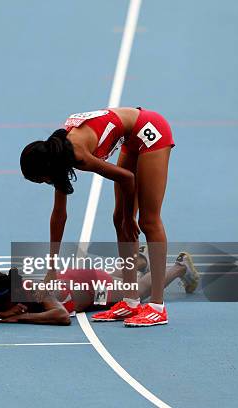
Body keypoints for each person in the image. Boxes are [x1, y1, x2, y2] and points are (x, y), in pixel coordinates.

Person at [20, 107, 174, 326]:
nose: (45, 183)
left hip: (150, 130)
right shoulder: (58, 157)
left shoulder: (78, 155)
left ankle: (158, 307)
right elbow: (59, 216)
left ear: (48, 167)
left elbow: (127, 178)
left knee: (147, 221)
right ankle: (131, 301)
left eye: (41, 179)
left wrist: (130, 216)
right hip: (130, 138)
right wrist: (51, 269)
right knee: (117, 220)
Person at [0, 249, 198, 326]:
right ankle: (139, 259)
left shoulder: (33, 293)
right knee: (113, 275)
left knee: (136, 290)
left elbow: (61, 316)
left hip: (89, 286)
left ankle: (179, 267)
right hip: (77, 279)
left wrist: (21, 317)